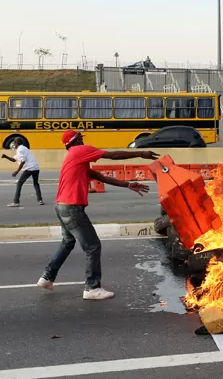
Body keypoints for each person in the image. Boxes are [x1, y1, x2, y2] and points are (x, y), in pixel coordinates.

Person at [37, 129, 157, 300]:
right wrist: (141, 153)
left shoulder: (75, 157)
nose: (84, 141)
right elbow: (112, 155)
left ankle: (47, 278)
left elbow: (99, 176)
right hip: (71, 208)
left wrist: (128, 185)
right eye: (81, 138)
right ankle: (92, 288)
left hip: (61, 206)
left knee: (67, 242)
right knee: (93, 246)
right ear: (76, 140)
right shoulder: (80, 151)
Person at [1, 140, 44, 206]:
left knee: (19, 184)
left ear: (16, 143)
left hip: (29, 168)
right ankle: (40, 200)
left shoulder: (20, 149)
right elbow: (14, 159)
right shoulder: (24, 148)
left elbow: (23, 161)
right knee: (36, 183)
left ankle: (16, 202)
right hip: (36, 168)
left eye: (14, 143)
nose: (14, 145)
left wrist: (17, 171)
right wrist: (6, 157)